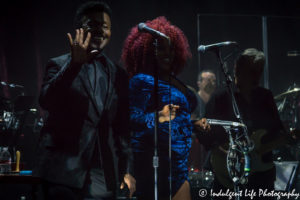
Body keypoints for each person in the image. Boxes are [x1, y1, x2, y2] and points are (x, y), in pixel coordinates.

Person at [33, 2, 135, 200]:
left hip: (102, 176)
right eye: (93, 24)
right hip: (61, 174)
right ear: (79, 29)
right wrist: (73, 66)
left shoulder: (118, 75)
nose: (100, 30)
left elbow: (123, 130)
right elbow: (47, 101)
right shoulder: (59, 64)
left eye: (105, 26)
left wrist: (127, 170)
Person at [121, 16, 209, 200]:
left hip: (178, 167)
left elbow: (175, 121)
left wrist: (193, 125)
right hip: (154, 167)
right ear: (146, 51)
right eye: (160, 48)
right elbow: (131, 121)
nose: (167, 54)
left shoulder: (175, 82)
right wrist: (158, 116)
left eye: (171, 49)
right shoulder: (142, 81)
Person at [205, 48, 297, 199]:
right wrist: (229, 153)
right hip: (229, 172)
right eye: (252, 70)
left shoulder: (265, 96)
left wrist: (288, 138)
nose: (257, 75)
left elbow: (276, 130)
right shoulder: (220, 97)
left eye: (259, 70)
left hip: (262, 174)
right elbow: (206, 134)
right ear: (237, 69)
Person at [189, 70, 216, 171]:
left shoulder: (215, 100)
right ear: (198, 83)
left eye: (214, 81)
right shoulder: (194, 99)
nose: (211, 83)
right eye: (208, 80)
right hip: (196, 140)